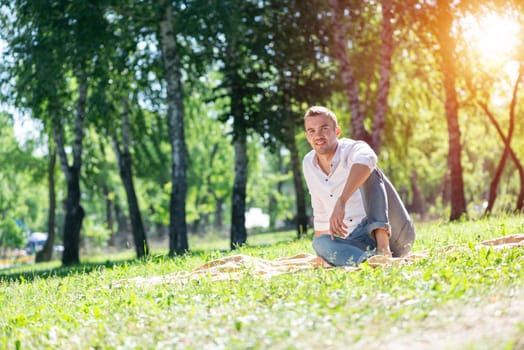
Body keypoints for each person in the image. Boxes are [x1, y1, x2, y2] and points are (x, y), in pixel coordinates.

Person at [302, 106, 415, 266]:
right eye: (311, 131)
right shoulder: (308, 163)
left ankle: (384, 249)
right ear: (307, 136)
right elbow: (319, 209)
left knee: (369, 170)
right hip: (359, 240)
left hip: (396, 233)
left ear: (337, 131)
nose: (318, 135)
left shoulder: (352, 149)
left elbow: (369, 159)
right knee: (319, 243)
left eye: (324, 128)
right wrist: (324, 254)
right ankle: (367, 263)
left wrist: (342, 201)